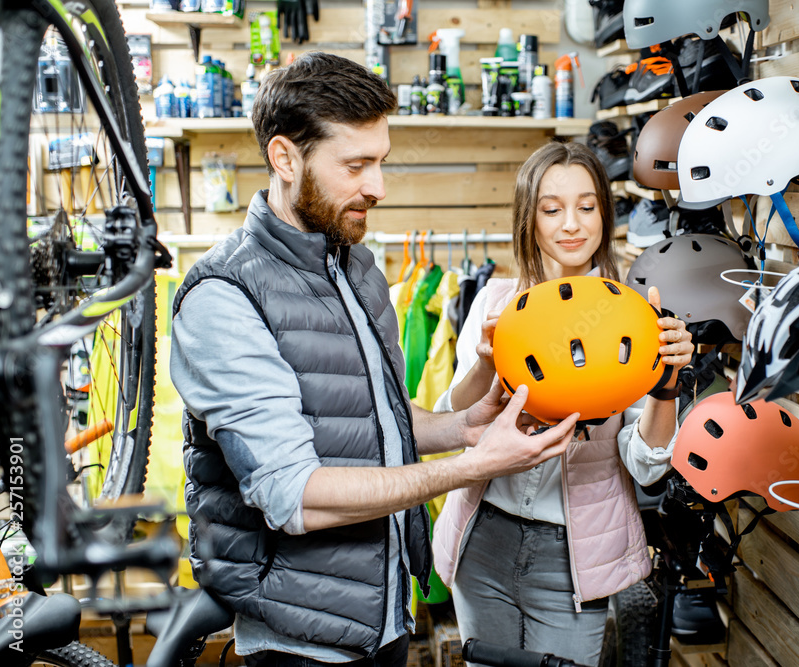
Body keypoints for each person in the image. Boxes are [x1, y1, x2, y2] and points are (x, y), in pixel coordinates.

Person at [169, 52, 579, 667]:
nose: (378, 187)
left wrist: (464, 427)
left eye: (381, 162)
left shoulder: (355, 266)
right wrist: (472, 465)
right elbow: (293, 494)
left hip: (383, 613)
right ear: (285, 158)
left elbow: (377, 419)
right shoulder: (224, 297)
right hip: (298, 634)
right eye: (356, 165)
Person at [431, 142, 696, 666]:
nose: (571, 224)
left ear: (605, 212)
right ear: (529, 220)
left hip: (574, 557)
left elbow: (646, 467)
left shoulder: (637, 319)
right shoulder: (494, 302)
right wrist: (487, 363)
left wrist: (666, 386)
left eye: (587, 206)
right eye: (552, 209)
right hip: (482, 539)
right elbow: (452, 419)